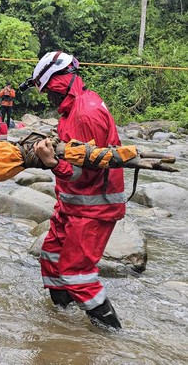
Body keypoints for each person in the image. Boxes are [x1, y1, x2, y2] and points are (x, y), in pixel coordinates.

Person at [28, 51, 126, 329]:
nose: (48, 98)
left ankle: (110, 334)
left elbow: (84, 171)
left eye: (49, 91)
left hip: (94, 206)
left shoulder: (85, 114)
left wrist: (51, 163)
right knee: (50, 257)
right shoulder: (73, 109)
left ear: (58, 82)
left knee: (76, 273)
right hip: (73, 203)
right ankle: (63, 325)